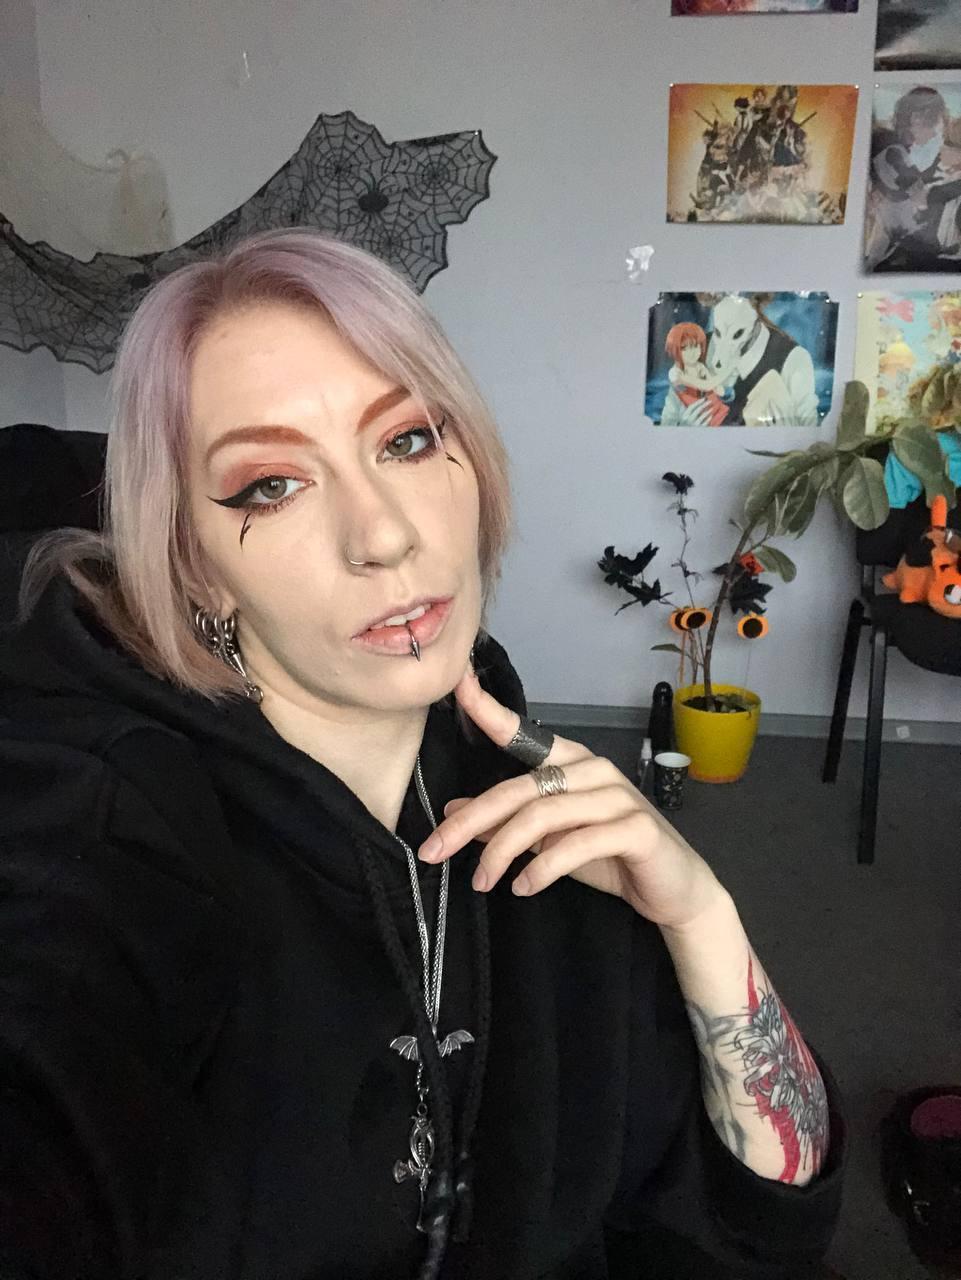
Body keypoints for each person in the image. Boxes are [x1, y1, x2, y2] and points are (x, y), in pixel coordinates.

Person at [0, 227, 847, 1279]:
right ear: (195, 565)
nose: (383, 536)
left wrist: (701, 919)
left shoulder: (553, 816)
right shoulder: (106, 837)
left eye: (404, 440)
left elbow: (766, 1229)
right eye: (271, 485)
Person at [663, 321, 731, 426]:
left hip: (711, 406)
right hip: (692, 412)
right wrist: (728, 372)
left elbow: (717, 389)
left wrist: (720, 390)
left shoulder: (700, 366)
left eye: (695, 346)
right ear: (675, 350)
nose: (692, 353)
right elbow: (706, 385)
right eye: (684, 349)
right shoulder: (675, 373)